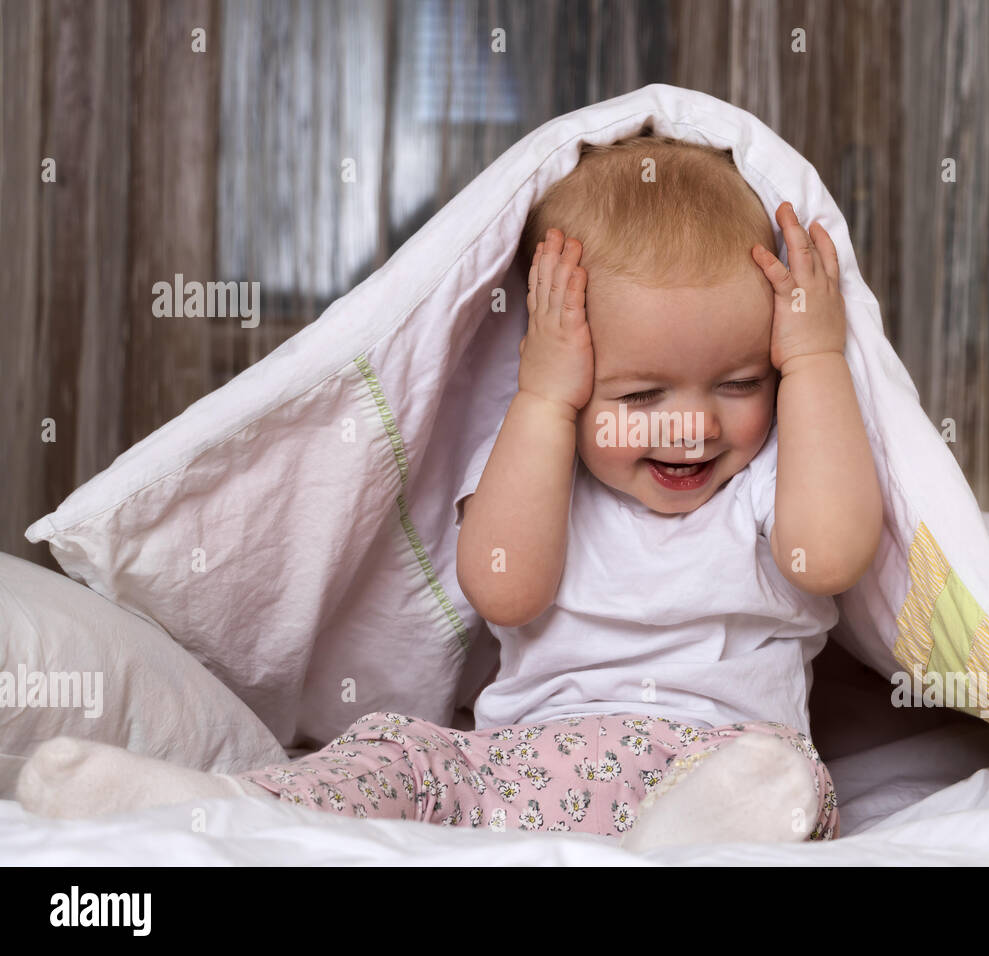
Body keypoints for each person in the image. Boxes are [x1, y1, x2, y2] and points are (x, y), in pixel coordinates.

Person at [18, 135, 882, 849]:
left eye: (737, 383)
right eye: (641, 396)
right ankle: (213, 809)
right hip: (523, 767)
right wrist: (543, 400)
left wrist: (810, 360)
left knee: (784, 777)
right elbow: (506, 585)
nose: (690, 427)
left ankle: (682, 841)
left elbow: (835, 549)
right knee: (395, 750)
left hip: (718, 760)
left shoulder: (770, 479)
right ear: (573, 381)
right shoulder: (543, 469)